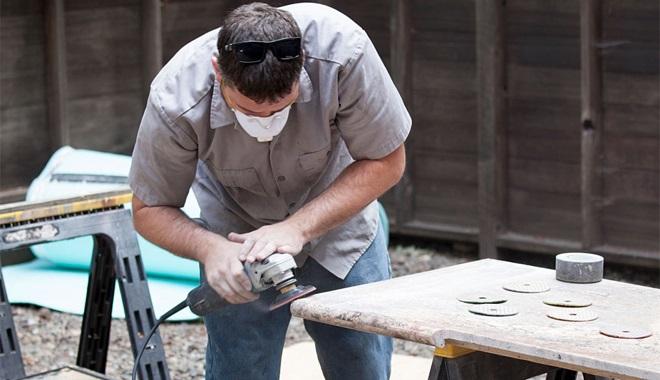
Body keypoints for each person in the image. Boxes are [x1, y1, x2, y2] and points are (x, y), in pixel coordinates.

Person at [129, 2, 411, 379]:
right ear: (218, 72)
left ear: (304, 64)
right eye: (249, 111)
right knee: (241, 368)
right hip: (237, 244)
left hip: (339, 229)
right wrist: (211, 249)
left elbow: (387, 161)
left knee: (362, 365)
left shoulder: (344, 52)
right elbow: (149, 208)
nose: (268, 123)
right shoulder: (175, 99)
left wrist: (298, 227)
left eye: (280, 108)